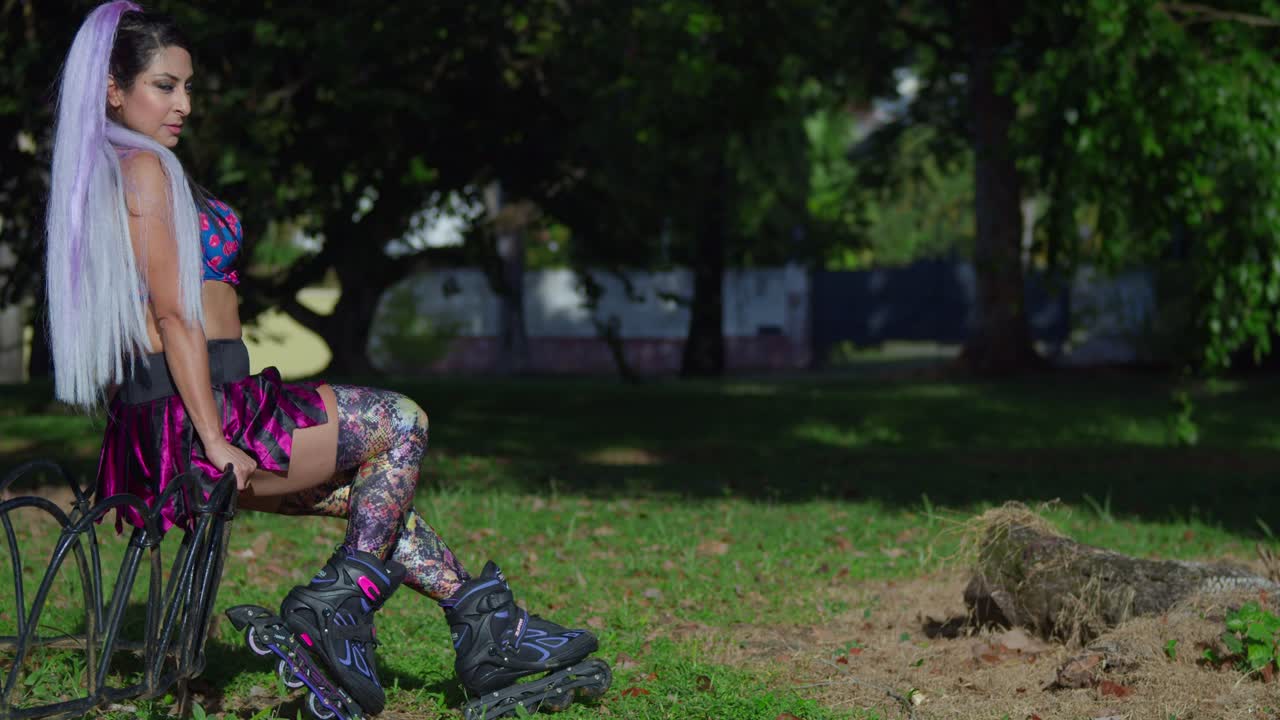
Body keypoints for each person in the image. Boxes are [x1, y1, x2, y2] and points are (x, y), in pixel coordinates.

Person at [46, 3, 608, 718]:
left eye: (188, 88)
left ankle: (493, 626)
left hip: (168, 418)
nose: (184, 104)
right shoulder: (143, 172)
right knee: (400, 422)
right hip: (202, 416)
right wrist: (217, 440)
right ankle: (339, 612)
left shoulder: (111, 171)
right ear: (113, 89)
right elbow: (172, 317)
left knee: (379, 499)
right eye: (165, 85)